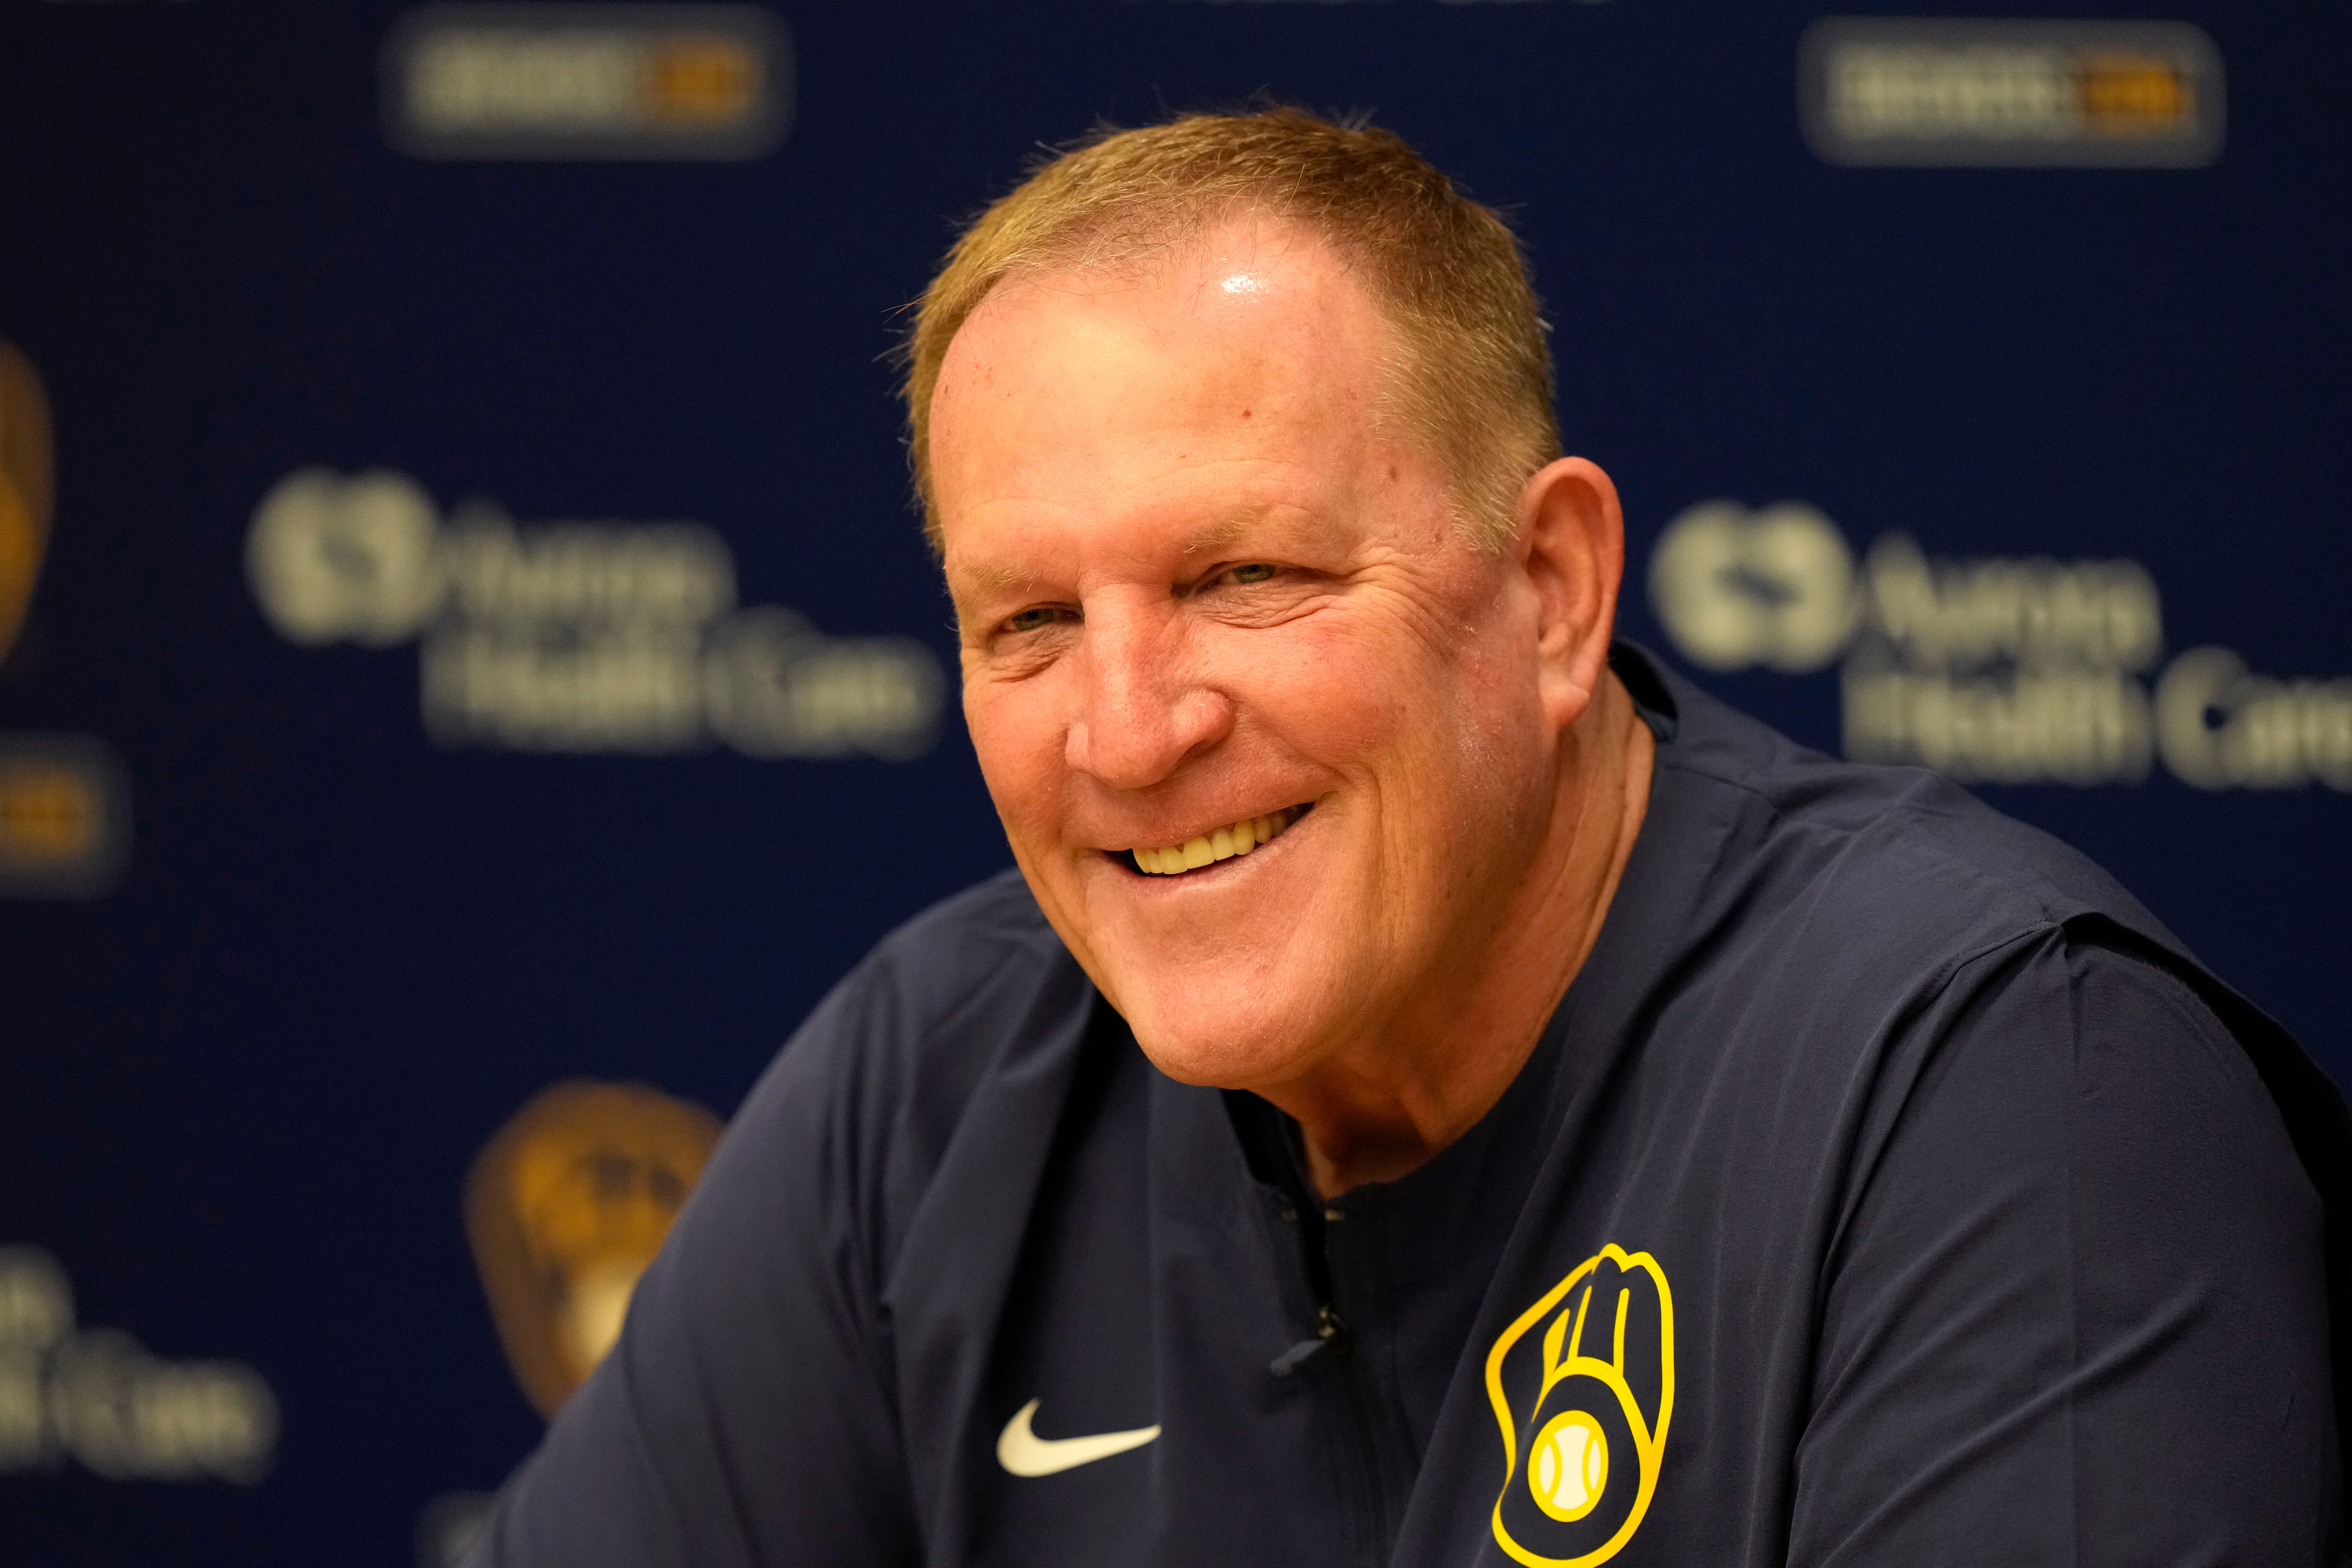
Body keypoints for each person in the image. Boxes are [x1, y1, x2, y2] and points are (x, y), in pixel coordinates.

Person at [464, 107, 2348, 1566]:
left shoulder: (2003, 1081)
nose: (1127, 731)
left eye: (1244, 576)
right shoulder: (937, 1087)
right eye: (1028, 622)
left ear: (1548, 594)